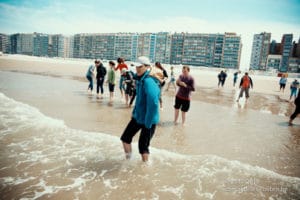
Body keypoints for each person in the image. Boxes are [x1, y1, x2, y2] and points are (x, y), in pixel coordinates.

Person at [120, 56, 160, 162]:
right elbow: (139, 100)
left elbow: (154, 103)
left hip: (148, 120)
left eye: (140, 67)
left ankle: (145, 168)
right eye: (136, 66)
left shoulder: (148, 81)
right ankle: (128, 160)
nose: (137, 69)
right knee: (125, 138)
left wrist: (148, 123)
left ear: (147, 67)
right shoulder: (139, 80)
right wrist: (134, 113)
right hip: (138, 117)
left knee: (143, 147)